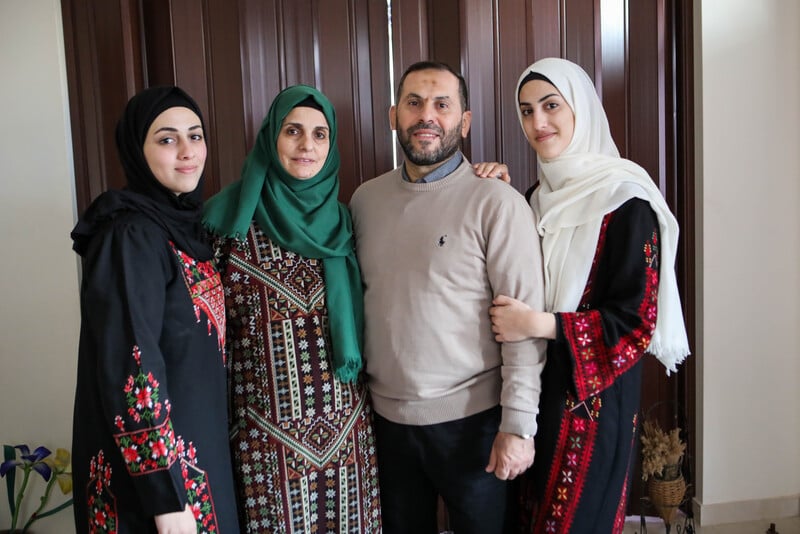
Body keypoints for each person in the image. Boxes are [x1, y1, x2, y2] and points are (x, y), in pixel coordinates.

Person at [488, 57, 690, 533]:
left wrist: (540, 323)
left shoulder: (626, 200)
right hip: (537, 391)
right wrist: (496, 196)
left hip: (593, 404)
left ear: (580, 108)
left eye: (551, 105)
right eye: (526, 110)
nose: (538, 122)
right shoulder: (537, 196)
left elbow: (636, 323)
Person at [349, 60, 548, 534]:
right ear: (394, 114)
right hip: (385, 425)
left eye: (442, 104)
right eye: (414, 103)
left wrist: (519, 426)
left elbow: (523, 323)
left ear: (465, 120)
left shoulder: (497, 202)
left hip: (474, 425)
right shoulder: (364, 201)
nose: (427, 116)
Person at [202, 85, 382, 533]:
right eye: (293, 131)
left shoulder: (346, 220)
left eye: (320, 134)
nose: (307, 146)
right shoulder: (226, 221)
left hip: (348, 437)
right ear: (270, 138)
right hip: (262, 446)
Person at [70, 86, 240, 533]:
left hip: (198, 463)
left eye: (196, 136)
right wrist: (165, 500)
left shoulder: (181, 229)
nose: (187, 152)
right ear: (137, 150)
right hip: (158, 489)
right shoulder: (130, 236)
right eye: (167, 139)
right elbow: (130, 367)